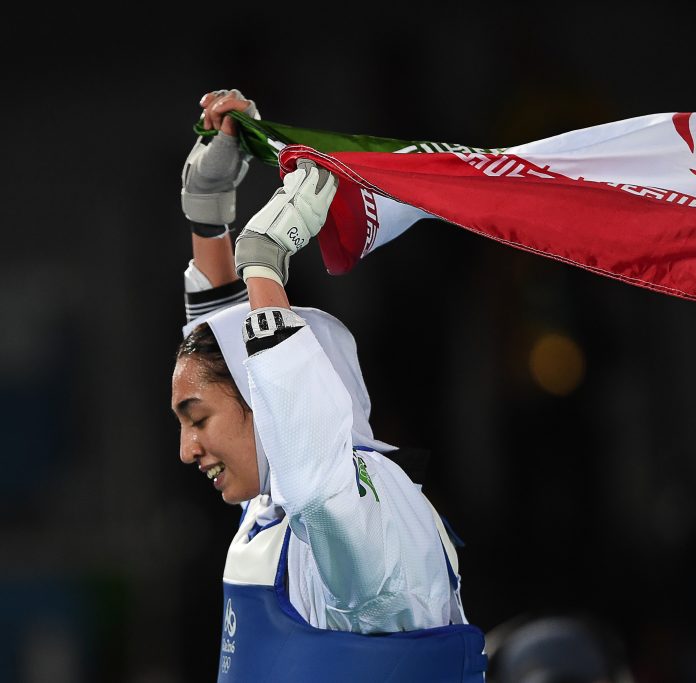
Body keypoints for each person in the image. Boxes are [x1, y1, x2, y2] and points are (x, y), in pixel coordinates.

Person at [172, 89, 487, 681]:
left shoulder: (364, 520)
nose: (187, 449)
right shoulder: (276, 510)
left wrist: (265, 262)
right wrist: (208, 208)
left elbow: (311, 464)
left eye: (197, 420)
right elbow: (224, 349)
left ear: (269, 402)